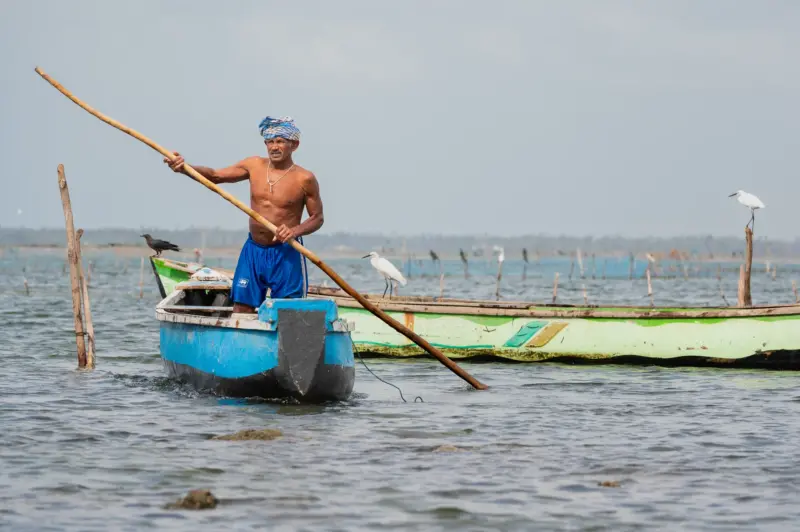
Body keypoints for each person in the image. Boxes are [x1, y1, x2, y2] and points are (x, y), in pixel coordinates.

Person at [164, 116, 323, 312]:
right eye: (270, 142)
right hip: (254, 250)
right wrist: (185, 169)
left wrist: (294, 231)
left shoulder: (304, 178)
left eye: (280, 141)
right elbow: (215, 176)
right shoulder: (254, 165)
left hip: (286, 252)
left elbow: (317, 218)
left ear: (294, 145)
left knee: (287, 311)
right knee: (241, 307)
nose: (274, 147)